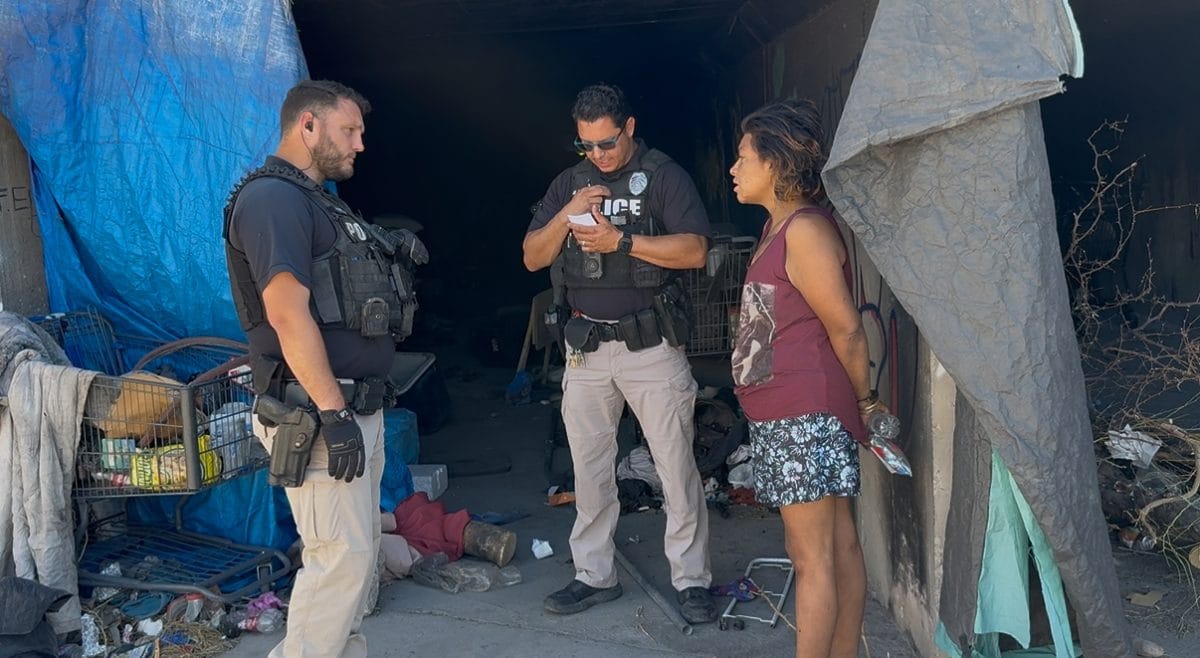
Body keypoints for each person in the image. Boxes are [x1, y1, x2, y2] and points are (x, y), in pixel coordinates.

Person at [223, 79, 426, 658]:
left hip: (354, 406)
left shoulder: (315, 199)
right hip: (317, 413)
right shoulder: (272, 200)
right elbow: (287, 314)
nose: (361, 144)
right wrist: (334, 415)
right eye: (349, 130)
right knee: (340, 562)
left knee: (355, 571)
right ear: (307, 126)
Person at [522, 83, 717, 623]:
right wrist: (566, 214)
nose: (598, 155)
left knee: (675, 467)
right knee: (589, 468)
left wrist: (621, 242)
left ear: (628, 127)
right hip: (586, 348)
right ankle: (594, 575)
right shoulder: (571, 182)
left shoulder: (662, 177)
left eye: (606, 143)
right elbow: (533, 257)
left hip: (651, 345)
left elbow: (695, 250)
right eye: (586, 145)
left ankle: (692, 580)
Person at [728, 99, 885, 657]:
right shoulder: (778, 226)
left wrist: (865, 401)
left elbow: (847, 330)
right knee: (836, 549)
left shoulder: (805, 232)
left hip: (805, 416)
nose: (734, 168)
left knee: (812, 558)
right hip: (788, 413)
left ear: (774, 162)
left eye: (743, 157)